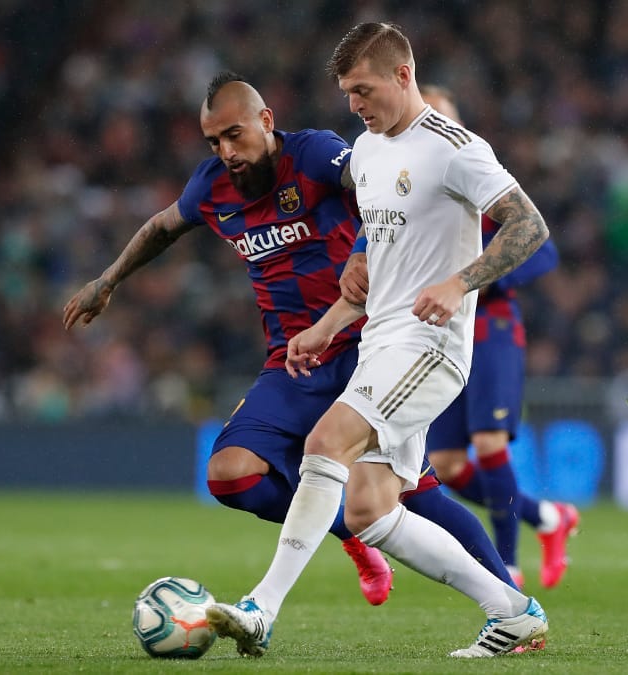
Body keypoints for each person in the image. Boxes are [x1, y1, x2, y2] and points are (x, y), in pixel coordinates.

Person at [62, 72, 515, 608]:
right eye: (214, 141)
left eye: (235, 135)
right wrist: (107, 280)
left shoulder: (315, 154)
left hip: (367, 346)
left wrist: (363, 250)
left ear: (266, 120)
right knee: (229, 476)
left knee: (415, 495)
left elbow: (380, 185)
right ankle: (349, 534)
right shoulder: (211, 187)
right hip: (292, 361)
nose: (226, 152)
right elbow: (161, 227)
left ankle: (511, 603)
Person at [205, 23, 552, 659]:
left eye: (362, 89)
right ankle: (513, 611)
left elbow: (529, 225)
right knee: (369, 511)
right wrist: (326, 325)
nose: (353, 104)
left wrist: (460, 282)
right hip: (378, 341)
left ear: (402, 75)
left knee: (325, 443)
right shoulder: (365, 152)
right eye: (346, 92)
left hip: (430, 347)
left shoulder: (454, 148)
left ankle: (262, 608)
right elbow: (381, 272)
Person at [339, 85, 579, 591]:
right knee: (445, 464)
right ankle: (547, 517)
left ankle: (508, 564)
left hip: (488, 329)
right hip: (424, 329)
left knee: (489, 443)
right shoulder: (401, 177)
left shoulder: (472, 172)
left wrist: (485, 279)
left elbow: (543, 247)